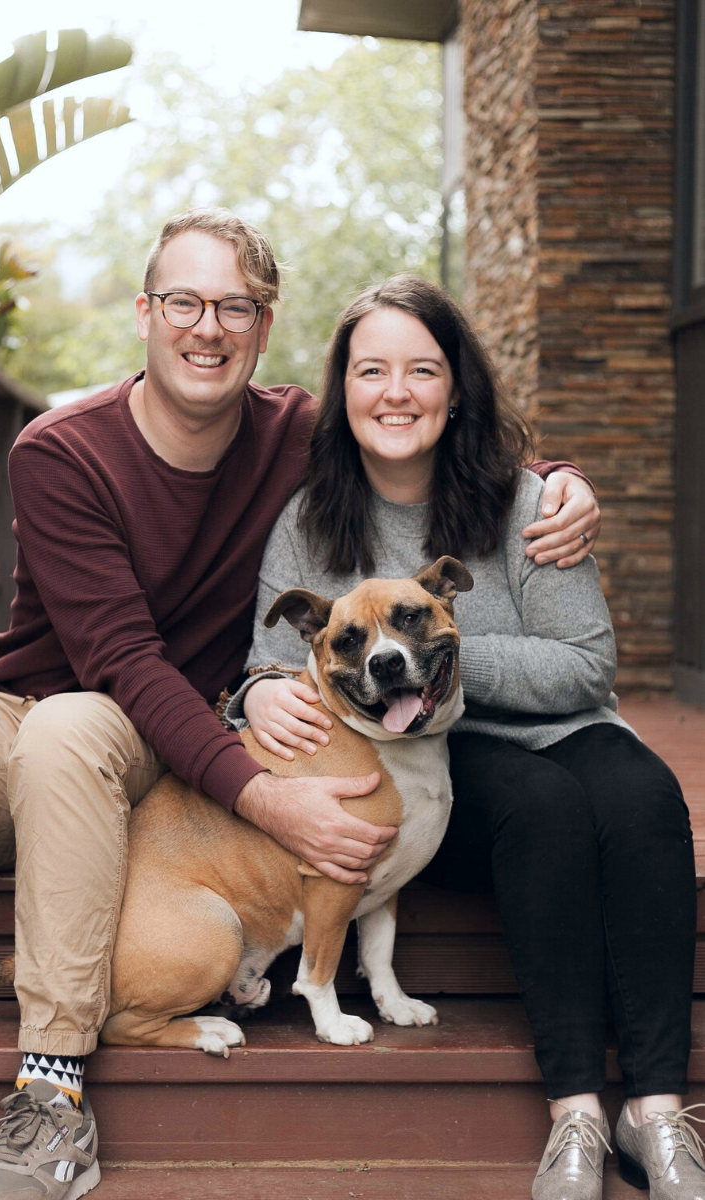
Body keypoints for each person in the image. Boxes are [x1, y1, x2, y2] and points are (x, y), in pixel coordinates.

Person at [0, 211, 600, 1200]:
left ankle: (51, 1098)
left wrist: (557, 484)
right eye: (184, 302)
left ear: (264, 328)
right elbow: (120, 660)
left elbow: (422, 437)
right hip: (52, 710)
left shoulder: (298, 436)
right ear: (146, 313)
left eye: (236, 307)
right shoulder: (62, 451)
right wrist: (269, 800)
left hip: (146, 742)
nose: (207, 327)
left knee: (73, 728)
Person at [222, 273, 699, 1200]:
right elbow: (270, 666)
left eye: (422, 369)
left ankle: (658, 1112)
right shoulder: (310, 520)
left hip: (562, 724)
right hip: (427, 758)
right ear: (344, 389)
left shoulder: (529, 503)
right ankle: (575, 1114)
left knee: (644, 796)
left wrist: (438, 655)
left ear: (456, 387)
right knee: (546, 808)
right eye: (371, 370)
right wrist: (258, 695)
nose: (396, 392)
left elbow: (584, 665)